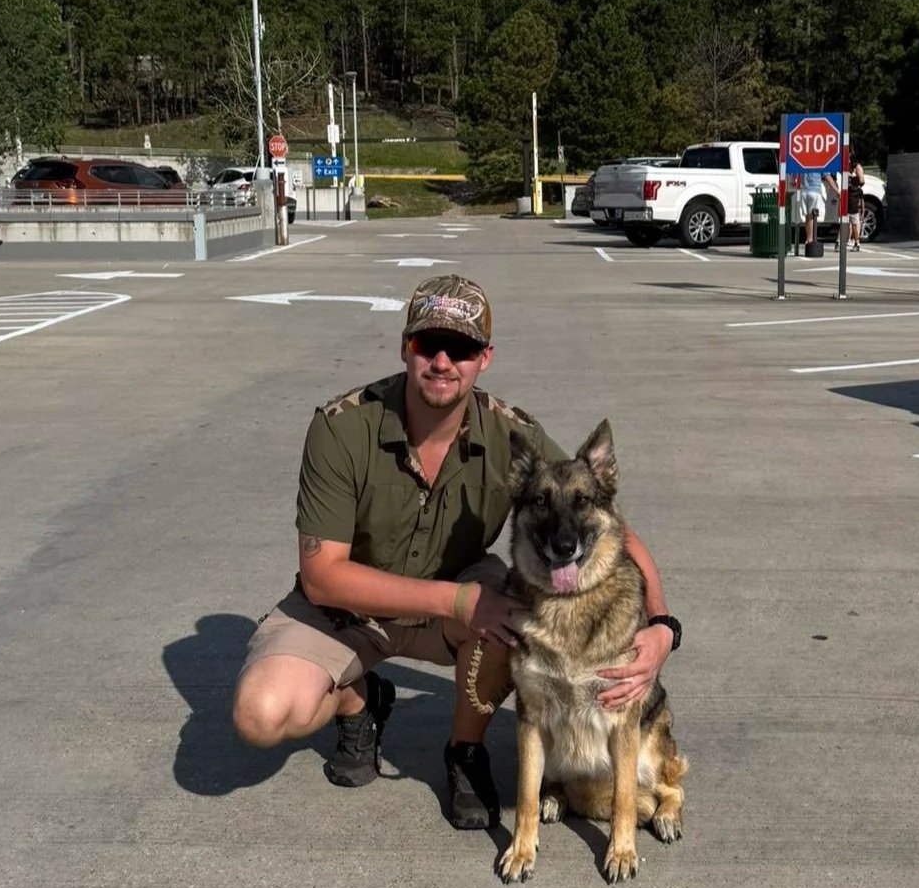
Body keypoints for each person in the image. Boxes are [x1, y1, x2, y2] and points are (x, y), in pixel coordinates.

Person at [230, 275, 678, 830]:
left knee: (513, 617)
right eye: (427, 345)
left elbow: (602, 517)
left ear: (483, 358)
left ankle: (464, 750)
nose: (443, 361)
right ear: (405, 347)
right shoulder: (342, 428)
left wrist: (661, 627)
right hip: (347, 608)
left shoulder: (510, 434)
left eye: (461, 348)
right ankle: (360, 701)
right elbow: (321, 576)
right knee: (262, 714)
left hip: (458, 607)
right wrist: (459, 600)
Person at [797, 171, 831, 249]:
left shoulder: (803, 160)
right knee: (812, 217)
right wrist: (836, 190)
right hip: (815, 190)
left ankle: (808, 238)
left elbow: (795, 173)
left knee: (807, 217)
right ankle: (810, 239)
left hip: (804, 191)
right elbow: (827, 175)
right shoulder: (819, 162)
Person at [847, 160, 866, 252]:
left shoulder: (858, 191)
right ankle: (841, 241)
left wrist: (862, 211)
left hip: (854, 210)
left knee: (854, 225)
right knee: (846, 225)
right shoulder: (849, 190)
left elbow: (862, 202)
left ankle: (856, 242)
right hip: (849, 210)